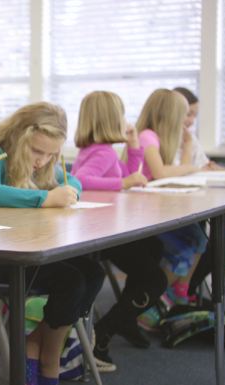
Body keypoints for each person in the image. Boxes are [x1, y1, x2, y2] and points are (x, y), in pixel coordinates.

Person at [0, 102, 105, 385]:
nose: (42, 161)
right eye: (37, 151)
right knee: (71, 281)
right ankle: (50, 364)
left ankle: (37, 345)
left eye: (51, 154)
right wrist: (44, 198)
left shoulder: (44, 163)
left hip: (27, 250)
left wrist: (69, 190)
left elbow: (74, 180)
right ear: (19, 138)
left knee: (93, 273)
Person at [71, 91, 168, 365]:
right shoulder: (101, 152)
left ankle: (124, 319)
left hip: (106, 227)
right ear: (111, 120)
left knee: (153, 246)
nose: (127, 121)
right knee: (156, 279)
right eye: (122, 115)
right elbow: (81, 179)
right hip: (100, 233)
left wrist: (134, 146)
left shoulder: (100, 150)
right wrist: (122, 184)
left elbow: (127, 173)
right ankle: (106, 329)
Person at [132, 88, 208, 317]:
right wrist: (191, 167)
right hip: (145, 211)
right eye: (184, 115)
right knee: (188, 244)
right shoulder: (147, 136)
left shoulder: (162, 139)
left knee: (199, 240)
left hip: (161, 206)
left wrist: (186, 147)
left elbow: (177, 173)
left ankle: (178, 292)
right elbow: (162, 172)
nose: (188, 122)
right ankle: (158, 299)